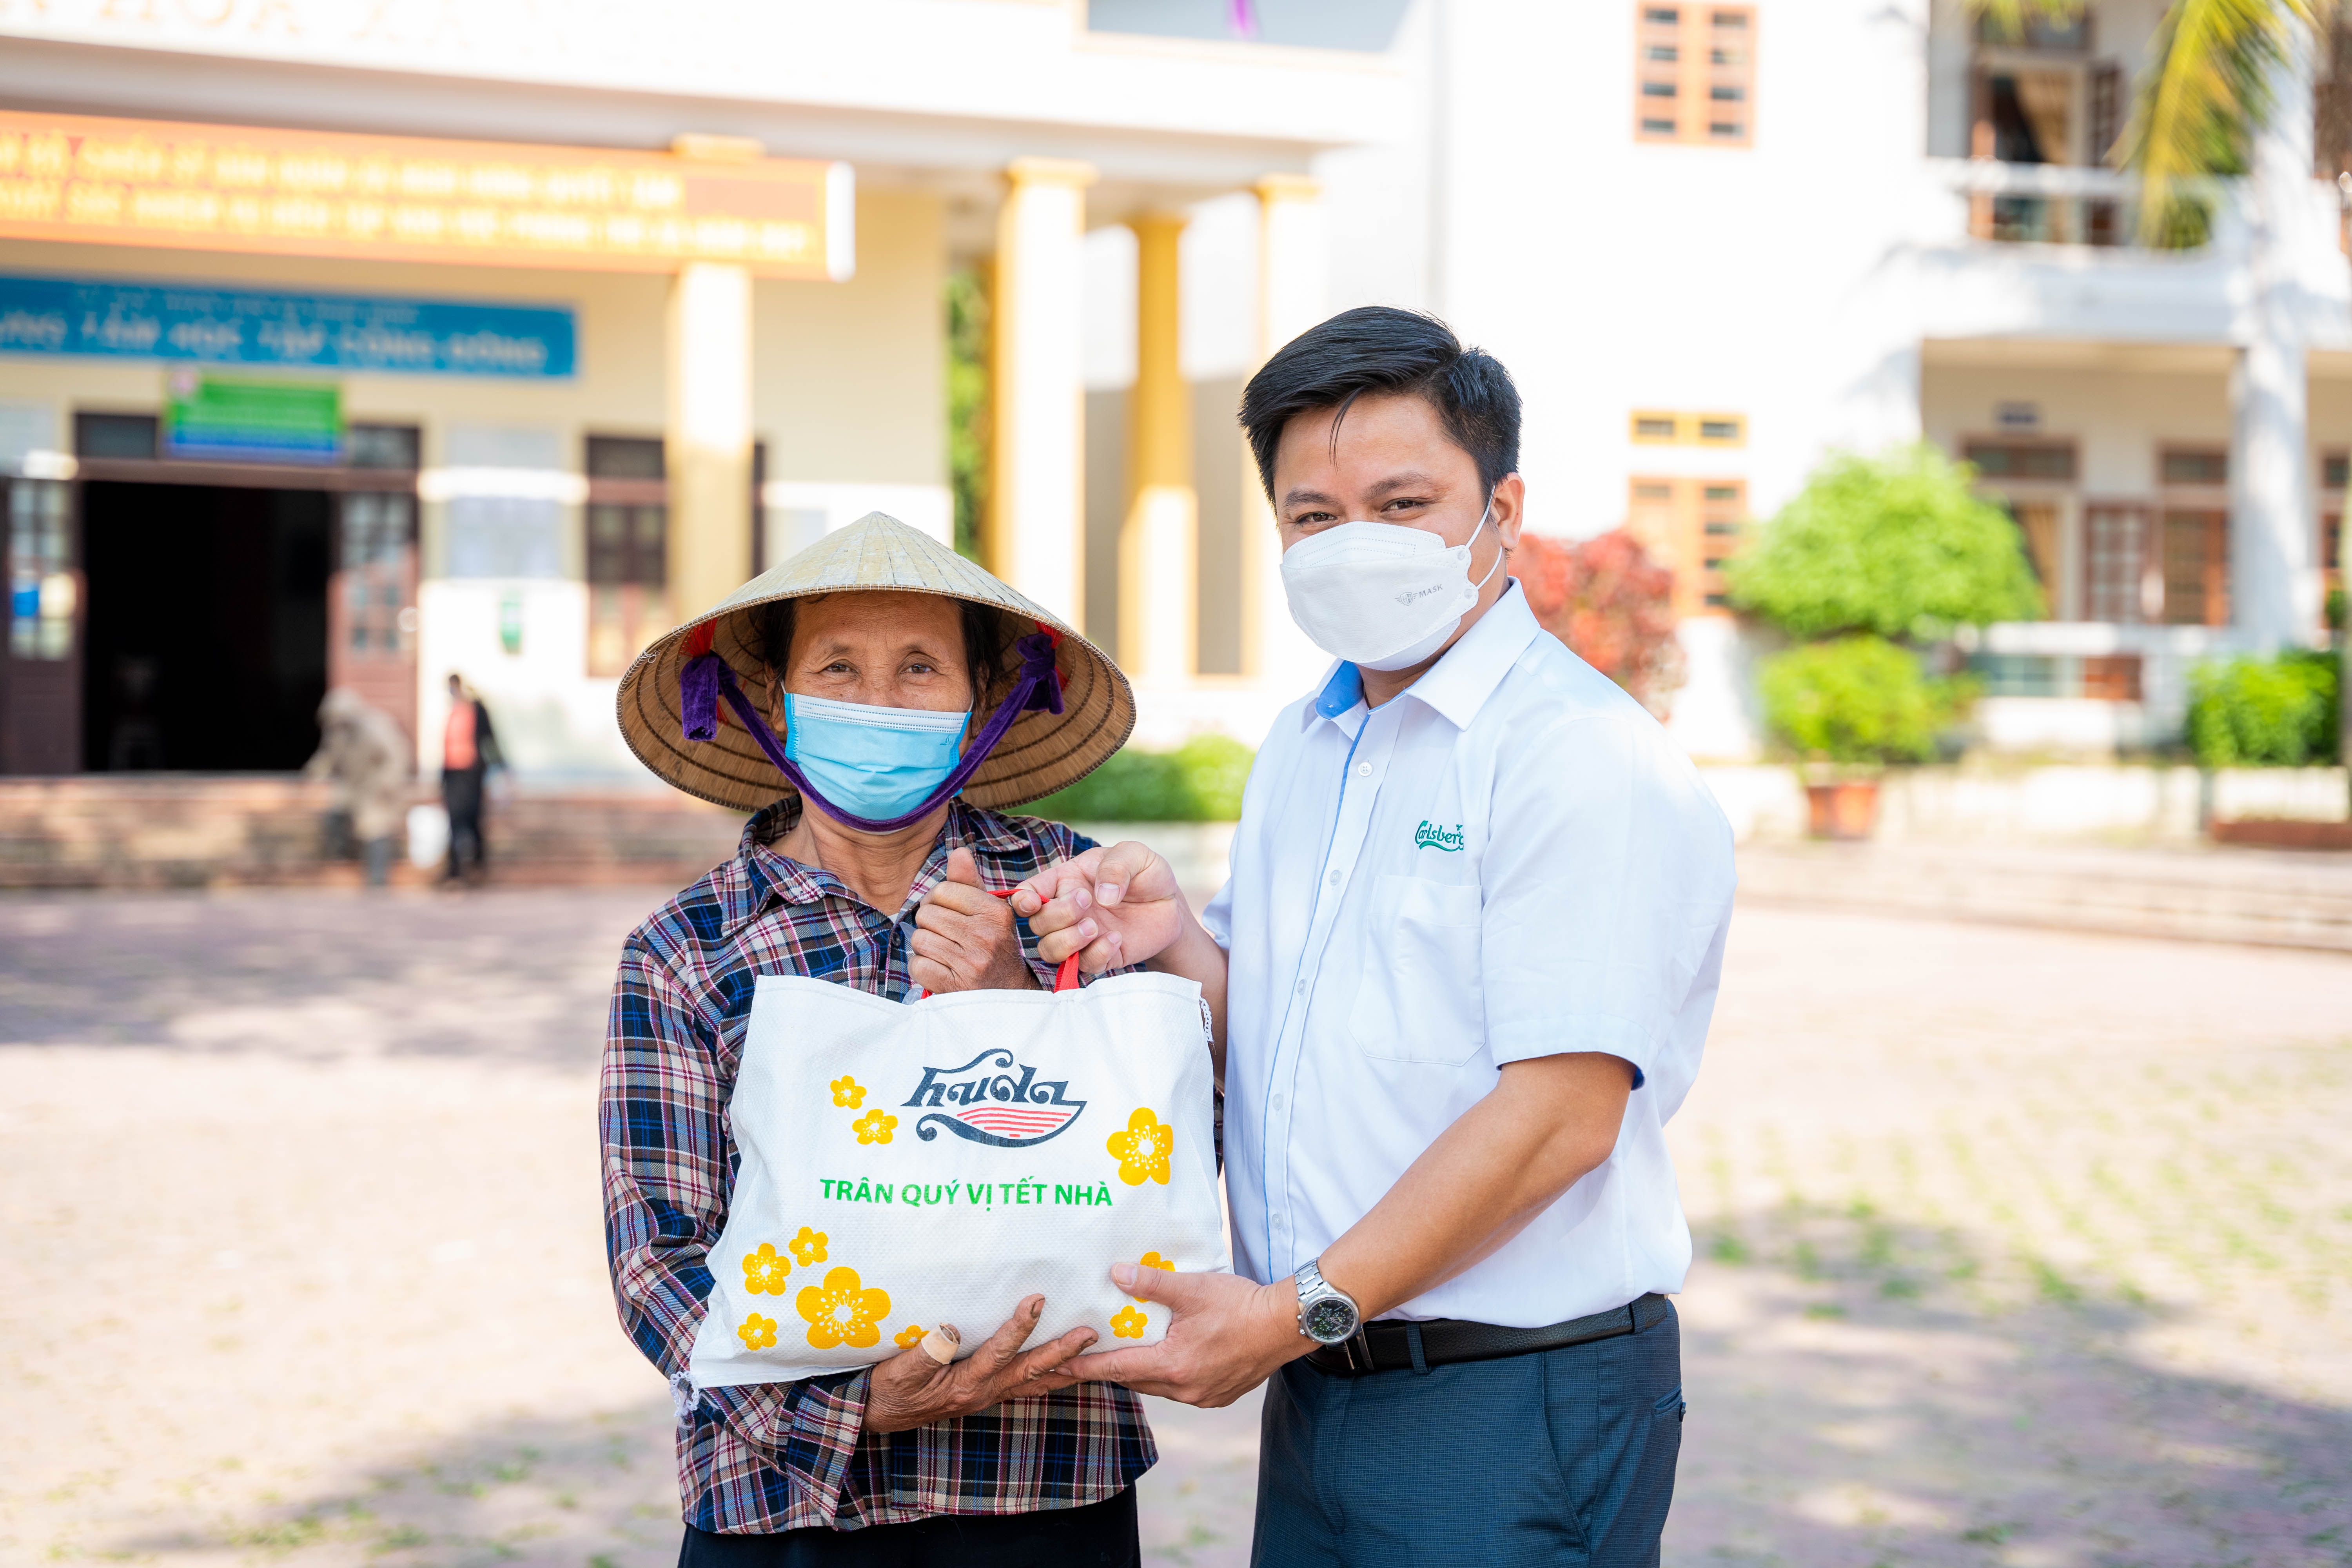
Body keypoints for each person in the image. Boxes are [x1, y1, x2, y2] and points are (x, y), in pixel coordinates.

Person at [1014, 307, 1737, 1565]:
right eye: (1314, 516)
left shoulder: (1576, 757)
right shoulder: (1309, 744)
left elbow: (1561, 1116)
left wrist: (1285, 1315)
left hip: (1507, 1397)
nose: (1356, 545)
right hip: (1323, 1380)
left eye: (1402, 505)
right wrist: (1175, 942)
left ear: (1501, 511)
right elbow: (1285, 1038)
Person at [601, 513, 1156, 1566]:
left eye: (918, 668)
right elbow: (656, 1258)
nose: (878, 701)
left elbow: (1168, 1155)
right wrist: (847, 1411)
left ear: (982, 700)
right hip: (783, 1505)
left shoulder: (1072, 896)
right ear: (775, 700)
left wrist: (1012, 998)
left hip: (1041, 1485)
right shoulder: (686, 949)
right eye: (838, 668)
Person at [304, 687, 411, 887]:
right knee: (335, 809)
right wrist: (315, 771)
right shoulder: (337, 732)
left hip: (376, 784)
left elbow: (398, 756)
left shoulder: (377, 727)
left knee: (375, 825)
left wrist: (387, 782)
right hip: (353, 785)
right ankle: (344, 857)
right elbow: (329, 755)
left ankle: (377, 879)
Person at [439, 673, 501, 884]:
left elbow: (490, 738)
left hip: (472, 774)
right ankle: (454, 871)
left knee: (473, 819)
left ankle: (477, 866)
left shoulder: (476, 709)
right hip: (453, 774)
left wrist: (502, 767)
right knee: (454, 821)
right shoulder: (453, 711)